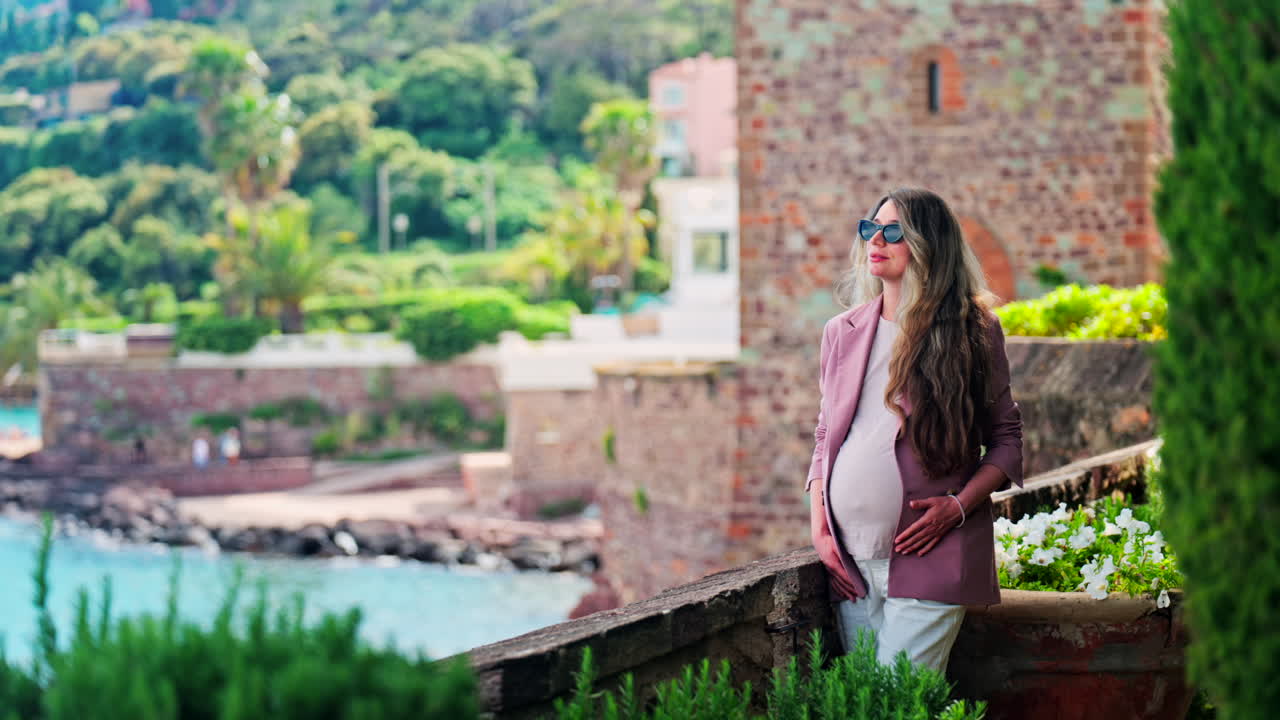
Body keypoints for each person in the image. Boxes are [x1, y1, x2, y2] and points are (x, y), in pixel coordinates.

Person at [807, 187, 1023, 674]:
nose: (875, 240)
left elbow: (1006, 440)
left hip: (933, 554)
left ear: (928, 244)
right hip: (851, 561)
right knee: (865, 699)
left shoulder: (973, 331)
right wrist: (819, 526)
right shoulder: (840, 331)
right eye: (870, 228)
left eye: (893, 232)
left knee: (897, 699)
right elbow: (826, 436)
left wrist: (957, 507)